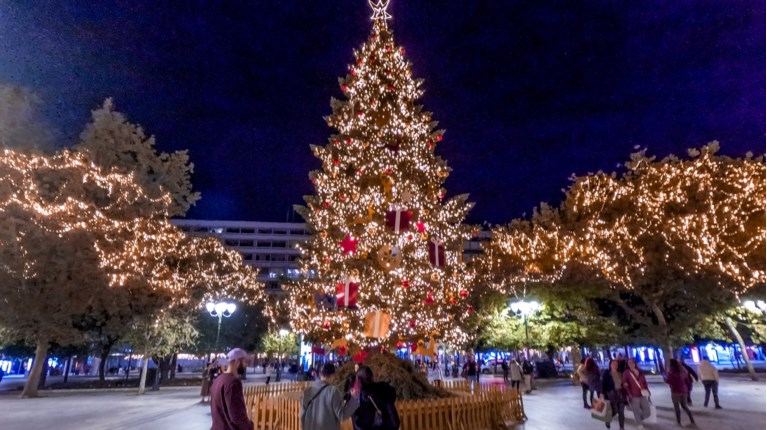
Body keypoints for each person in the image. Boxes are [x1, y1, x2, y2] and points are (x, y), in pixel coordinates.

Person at [301, 362, 359, 430]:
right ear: (332, 376)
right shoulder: (333, 391)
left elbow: (303, 416)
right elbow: (342, 415)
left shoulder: (307, 391)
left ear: (320, 374)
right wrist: (354, 398)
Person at [210, 348, 253, 430]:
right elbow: (236, 415)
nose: (245, 365)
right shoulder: (233, 382)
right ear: (237, 361)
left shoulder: (218, 380)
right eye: (244, 362)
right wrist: (249, 427)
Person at [352, 365, 400, 430]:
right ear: (372, 376)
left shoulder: (359, 398)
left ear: (358, 379)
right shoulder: (383, 390)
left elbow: (358, 425)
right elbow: (394, 420)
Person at [622, 358, 651, 429]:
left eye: (632, 362)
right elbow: (624, 382)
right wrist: (625, 385)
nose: (630, 364)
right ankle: (639, 423)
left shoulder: (640, 371)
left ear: (635, 363)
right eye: (629, 363)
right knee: (636, 410)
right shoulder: (626, 372)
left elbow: (644, 382)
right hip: (633, 394)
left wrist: (648, 390)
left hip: (643, 393)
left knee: (647, 411)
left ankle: (639, 419)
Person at [666, 359, 695, 427]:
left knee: (677, 407)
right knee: (684, 406)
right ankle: (691, 419)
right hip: (684, 390)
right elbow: (687, 381)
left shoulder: (671, 372)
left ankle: (678, 422)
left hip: (675, 391)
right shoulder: (683, 371)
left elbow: (669, 381)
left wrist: (665, 378)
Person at [600, 359, 626, 430]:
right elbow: (603, 383)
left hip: (621, 393)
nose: (615, 365)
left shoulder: (620, 373)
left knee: (621, 411)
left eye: (616, 364)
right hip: (611, 393)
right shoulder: (606, 373)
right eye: (613, 364)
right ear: (610, 365)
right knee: (615, 410)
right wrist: (602, 393)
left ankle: (621, 427)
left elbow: (622, 383)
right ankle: (608, 419)